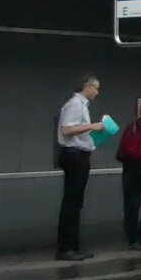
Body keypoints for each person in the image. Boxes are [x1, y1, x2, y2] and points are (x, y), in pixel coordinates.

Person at [55, 75, 105, 262]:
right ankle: (65, 247)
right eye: (95, 88)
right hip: (74, 154)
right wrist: (92, 126)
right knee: (72, 201)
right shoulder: (76, 104)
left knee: (76, 202)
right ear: (87, 86)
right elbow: (66, 130)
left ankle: (73, 245)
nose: (97, 92)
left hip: (79, 154)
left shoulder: (81, 105)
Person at [116, 100, 141, 250]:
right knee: (132, 205)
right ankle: (133, 239)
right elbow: (127, 150)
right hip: (134, 170)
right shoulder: (132, 129)